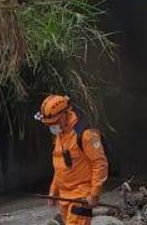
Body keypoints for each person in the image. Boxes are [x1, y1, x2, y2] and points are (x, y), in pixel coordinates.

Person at [36, 95, 109, 225]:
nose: (52, 126)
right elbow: (60, 167)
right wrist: (53, 190)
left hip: (81, 197)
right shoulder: (60, 135)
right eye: (49, 124)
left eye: (54, 122)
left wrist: (94, 194)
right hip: (64, 197)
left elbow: (100, 164)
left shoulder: (86, 134)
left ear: (65, 114)